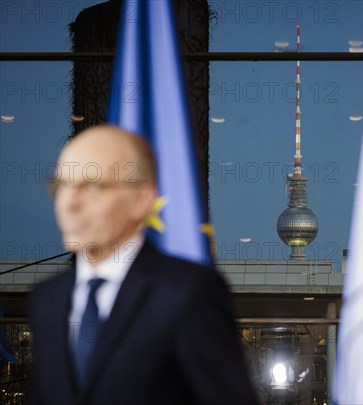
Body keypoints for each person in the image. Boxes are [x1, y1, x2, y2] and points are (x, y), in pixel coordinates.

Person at [29, 125, 258, 405]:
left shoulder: (187, 293)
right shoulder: (46, 299)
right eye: (62, 185)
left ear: (141, 200)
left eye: (91, 186)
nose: (69, 203)